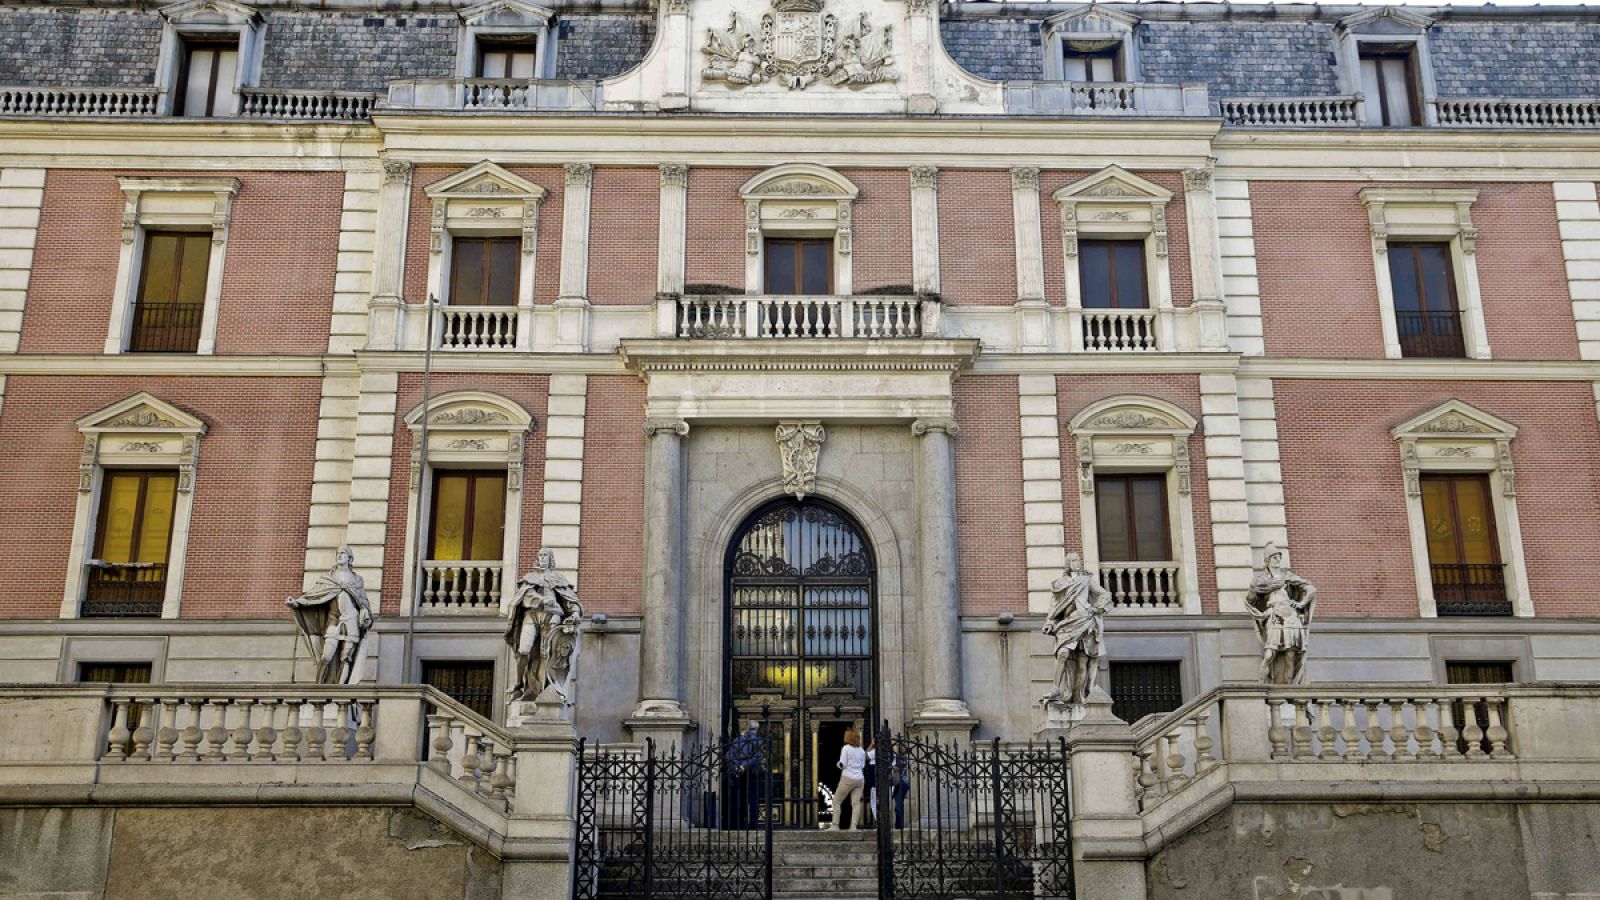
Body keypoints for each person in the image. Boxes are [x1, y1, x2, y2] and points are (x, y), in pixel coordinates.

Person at [727, 721, 765, 829]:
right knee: (753, 798)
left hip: (738, 772)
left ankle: (738, 823)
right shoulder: (758, 740)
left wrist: (737, 766)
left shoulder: (737, 740)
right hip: (752, 771)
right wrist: (745, 765)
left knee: (739, 797)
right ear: (756, 729)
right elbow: (757, 757)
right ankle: (752, 824)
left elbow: (729, 756)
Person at [833, 729, 867, 831]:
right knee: (856, 803)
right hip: (860, 779)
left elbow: (843, 764)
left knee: (836, 801)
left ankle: (835, 825)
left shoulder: (846, 748)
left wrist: (838, 764)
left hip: (848, 778)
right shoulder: (861, 750)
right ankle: (853, 826)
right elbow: (863, 765)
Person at [888, 740, 910, 829]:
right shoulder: (901, 757)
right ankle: (898, 824)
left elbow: (897, 768)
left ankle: (899, 826)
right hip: (901, 783)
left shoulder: (899, 758)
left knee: (898, 806)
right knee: (899, 804)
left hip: (900, 783)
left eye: (895, 745)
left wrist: (892, 767)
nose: (893, 746)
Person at [863, 738, 878, 825]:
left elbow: (864, 756)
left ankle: (878, 821)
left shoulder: (875, 752)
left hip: (875, 781)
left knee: (874, 800)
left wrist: (871, 745)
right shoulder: (888, 752)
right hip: (884, 781)